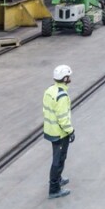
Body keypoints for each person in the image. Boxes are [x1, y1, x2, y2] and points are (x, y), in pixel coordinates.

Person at [43, 64, 75, 199]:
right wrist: (70, 131)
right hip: (60, 133)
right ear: (65, 78)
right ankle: (54, 188)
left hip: (50, 130)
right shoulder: (61, 96)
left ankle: (58, 178)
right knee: (59, 159)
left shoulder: (50, 90)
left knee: (58, 157)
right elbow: (63, 118)